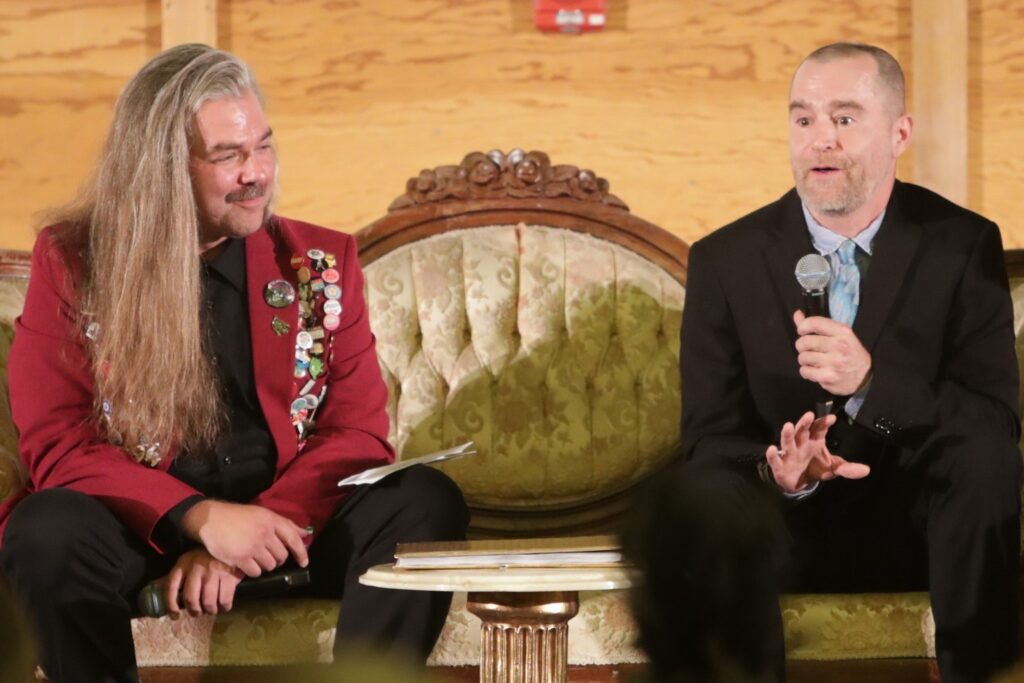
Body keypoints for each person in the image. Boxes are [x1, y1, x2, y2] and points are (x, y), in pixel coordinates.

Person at [0, 43, 468, 682]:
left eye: (263, 147)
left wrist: (250, 543)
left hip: (293, 528)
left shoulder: (321, 265)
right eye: (228, 156)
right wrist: (201, 521)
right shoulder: (75, 261)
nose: (258, 173)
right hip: (146, 533)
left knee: (421, 500)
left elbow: (356, 436)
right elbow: (59, 443)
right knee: (46, 530)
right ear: (161, 167)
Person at [679, 43, 1021, 683]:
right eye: (803, 119)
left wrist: (871, 387)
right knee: (705, 491)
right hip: (783, 530)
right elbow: (705, 441)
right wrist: (782, 473)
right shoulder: (726, 259)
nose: (819, 142)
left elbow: (993, 424)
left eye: (844, 118)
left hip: (922, 526)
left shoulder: (962, 244)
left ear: (899, 133)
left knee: (984, 461)